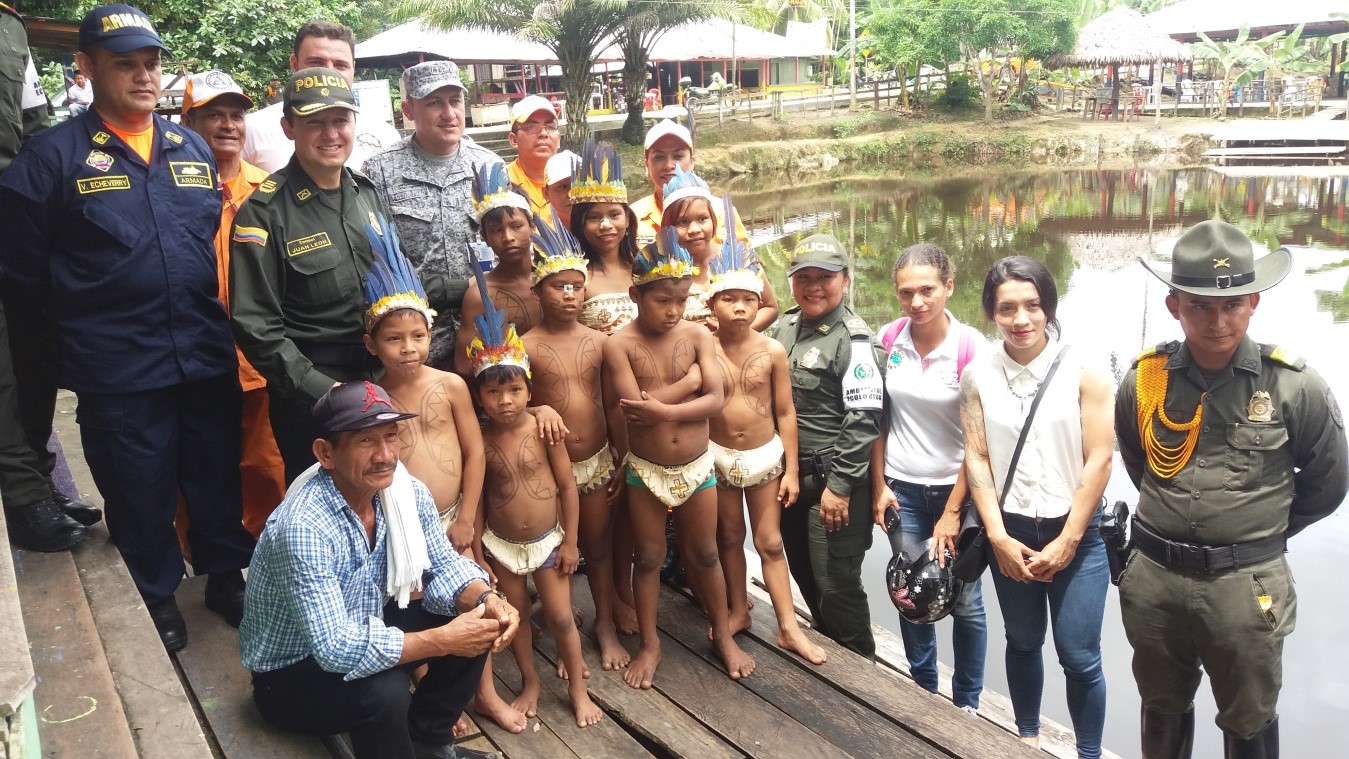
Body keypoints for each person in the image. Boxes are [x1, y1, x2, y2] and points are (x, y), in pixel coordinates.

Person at [0, 3, 255, 649]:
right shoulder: (50, 159)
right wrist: (64, 355)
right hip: (116, 362)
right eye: (124, 65)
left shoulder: (188, 146)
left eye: (150, 64)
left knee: (214, 472)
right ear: (85, 69)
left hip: (200, 347)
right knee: (136, 486)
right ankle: (156, 594)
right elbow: (23, 280)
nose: (143, 77)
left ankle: (226, 576)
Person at [1116, 220, 1349, 758]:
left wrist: (1256, 531)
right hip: (1155, 580)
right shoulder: (1146, 380)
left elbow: (1328, 483)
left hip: (1245, 588)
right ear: (1174, 306)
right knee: (1161, 701)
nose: (1217, 321)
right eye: (1199, 306)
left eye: (1232, 305)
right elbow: (1140, 460)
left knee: (1249, 715)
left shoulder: (1294, 386)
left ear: (1254, 304)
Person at [239, 381, 514, 759]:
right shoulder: (302, 528)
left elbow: (443, 565)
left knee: (478, 620)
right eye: (365, 441)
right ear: (326, 453)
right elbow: (334, 648)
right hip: (291, 677)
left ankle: (428, 744)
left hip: (364, 620)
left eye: (391, 436)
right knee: (386, 689)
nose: (385, 455)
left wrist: (486, 598)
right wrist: (444, 639)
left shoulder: (404, 492)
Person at [959, 256, 1113, 758]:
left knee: (1080, 655)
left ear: (1049, 306)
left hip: (1078, 531)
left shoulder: (1085, 370)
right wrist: (998, 537)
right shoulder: (977, 375)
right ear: (991, 313)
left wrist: (1069, 539)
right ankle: (1027, 736)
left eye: (1032, 305)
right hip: (1013, 531)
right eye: (1007, 308)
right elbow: (977, 456)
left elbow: (1100, 458)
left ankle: (1088, 751)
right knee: (1023, 641)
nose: (1021, 319)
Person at [230, 68, 412, 482]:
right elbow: (255, 325)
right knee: (326, 515)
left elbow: (399, 278)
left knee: (388, 506)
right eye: (315, 122)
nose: (330, 134)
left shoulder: (366, 195)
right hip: (313, 395)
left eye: (339, 120)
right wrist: (321, 389)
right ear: (288, 127)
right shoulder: (264, 212)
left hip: (381, 381)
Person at [604, 226, 754, 689]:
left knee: (706, 553)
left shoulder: (697, 336)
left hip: (697, 466)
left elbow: (716, 400)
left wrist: (665, 406)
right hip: (646, 471)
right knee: (648, 556)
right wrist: (687, 386)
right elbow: (636, 413)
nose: (673, 311)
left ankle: (723, 634)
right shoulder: (619, 344)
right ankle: (651, 643)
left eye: (682, 299)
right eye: (661, 301)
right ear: (635, 295)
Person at [467, 284, 601, 728]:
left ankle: (578, 691)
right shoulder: (480, 441)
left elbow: (567, 488)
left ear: (528, 390)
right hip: (501, 544)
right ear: (480, 396)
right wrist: (480, 550)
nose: (504, 401)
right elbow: (482, 496)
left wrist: (571, 543)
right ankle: (531, 681)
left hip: (548, 541)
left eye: (514, 390)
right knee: (518, 615)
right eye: (493, 393)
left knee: (562, 616)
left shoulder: (546, 429)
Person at [870, 243, 989, 711]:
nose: (916, 302)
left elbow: (981, 440)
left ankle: (968, 702)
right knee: (910, 589)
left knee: (965, 600)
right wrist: (879, 485)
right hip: (902, 488)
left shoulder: (971, 348)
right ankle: (922, 690)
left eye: (927, 290)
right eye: (906, 293)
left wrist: (954, 512)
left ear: (948, 287)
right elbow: (879, 417)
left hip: (957, 490)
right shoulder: (888, 340)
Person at [0, 0, 99, 553]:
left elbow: (34, 127)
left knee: (35, 354)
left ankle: (38, 476)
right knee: (2, 371)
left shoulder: (9, 26)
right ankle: (22, 495)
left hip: (17, 217)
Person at [703, 223, 823, 666]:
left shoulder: (772, 350)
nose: (738, 309)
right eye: (728, 299)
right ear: (711, 303)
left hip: (764, 457)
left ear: (760, 304)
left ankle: (789, 626)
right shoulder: (702, 346)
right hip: (716, 457)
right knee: (729, 536)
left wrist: (791, 469)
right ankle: (738, 610)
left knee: (770, 542)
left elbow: (786, 412)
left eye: (747, 300)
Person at [179, 70, 286, 538]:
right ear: (188, 122)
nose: (228, 125)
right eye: (213, 116)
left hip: (259, 360)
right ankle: (214, 566)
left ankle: (270, 558)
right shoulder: (170, 188)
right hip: (195, 358)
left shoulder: (269, 190)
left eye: (236, 115)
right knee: (203, 468)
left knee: (268, 467)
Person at [765, 234, 880, 659]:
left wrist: (842, 486)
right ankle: (830, 651)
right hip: (790, 481)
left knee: (837, 584)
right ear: (792, 282)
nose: (814, 286)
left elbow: (864, 420)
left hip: (833, 487)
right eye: (804, 277)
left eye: (825, 278)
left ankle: (861, 666)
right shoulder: (784, 327)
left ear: (845, 281)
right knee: (802, 573)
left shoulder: (855, 340)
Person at [521, 212, 628, 671]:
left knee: (599, 548)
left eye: (575, 286)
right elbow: (501, 407)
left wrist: (624, 457)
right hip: (550, 468)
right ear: (537, 291)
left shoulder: (600, 342)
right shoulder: (522, 347)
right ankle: (566, 637)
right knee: (559, 552)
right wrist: (534, 409)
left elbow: (612, 405)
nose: (568, 295)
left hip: (598, 460)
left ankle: (604, 624)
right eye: (556, 286)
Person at [363, 61, 503, 369]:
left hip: (488, 334)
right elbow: (375, 259)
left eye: (455, 101)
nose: (450, 113)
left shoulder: (489, 166)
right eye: (434, 103)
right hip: (415, 343)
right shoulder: (380, 170)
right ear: (409, 110)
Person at [241, 20, 399, 173]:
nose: (329, 72)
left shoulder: (384, 134)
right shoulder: (252, 130)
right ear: (294, 64)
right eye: (316, 63)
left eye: (340, 65)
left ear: (353, 69)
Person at [659, 168, 778, 330]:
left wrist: (733, 334)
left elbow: (770, 308)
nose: (694, 229)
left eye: (702, 219)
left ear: (713, 220)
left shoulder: (740, 258)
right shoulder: (659, 270)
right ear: (668, 227)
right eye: (683, 222)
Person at [629, 119, 749, 248]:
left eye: (678, 156)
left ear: (692, 161)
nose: (669, 165)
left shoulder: (723, 211)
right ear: (647, 163)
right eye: (659, 157)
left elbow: (748, 263)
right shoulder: (632, 216)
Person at [503, 95, 557, 218]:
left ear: (559, 138)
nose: (543, 133)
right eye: (531, 127)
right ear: (513, 140)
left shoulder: (578, 179)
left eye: (550, 127)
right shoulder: (501, 184)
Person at [542, 149, 578, 229]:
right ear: (546, 194)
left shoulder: (605, 229)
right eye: (563, 187)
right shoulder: (539, 236)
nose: (572, 194)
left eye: (579, 185)